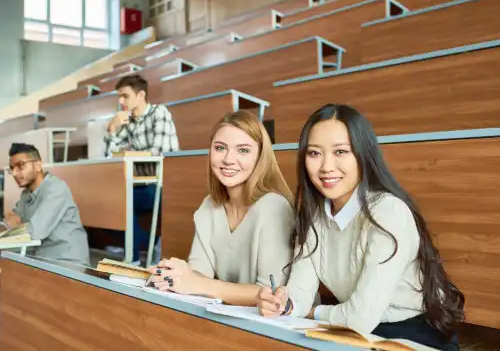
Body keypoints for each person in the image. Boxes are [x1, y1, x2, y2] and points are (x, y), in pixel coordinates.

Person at [255, 104, 465, 350]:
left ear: (362, 155)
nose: (326, 166)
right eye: (314, 153)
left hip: (413, 335)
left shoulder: (388, 212)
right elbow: (301, 290)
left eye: (341, 151)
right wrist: (284, 305)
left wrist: (313, 312)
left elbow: (359, 318)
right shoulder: (314, 215)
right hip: (355, 332)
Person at [146, 110, 295, 306]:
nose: (228, 159)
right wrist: (175, 277)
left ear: (260, 157)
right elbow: (199, 274)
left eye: (243, 150)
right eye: (220, 148)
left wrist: (197, 283)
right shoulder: (209, 206)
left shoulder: (275, 208)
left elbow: (271, 294)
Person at [104, 74, 179, 266]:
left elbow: (158, 152)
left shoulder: (159, 113)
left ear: (141, 95)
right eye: (119, 97)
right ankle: (138, 251)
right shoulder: (128, 121)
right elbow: (110, 156)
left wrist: (128, 155)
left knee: (123, 202)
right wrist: (112, 129)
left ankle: (136, 251)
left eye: (125, 96)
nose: (121, 101)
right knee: (109, 202)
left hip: (165, 182)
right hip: (139, 181)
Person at [0, 143, 90, 266]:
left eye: (20, 166)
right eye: (12, 169)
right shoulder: (27, 193)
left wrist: (10, 229)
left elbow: (35, 231)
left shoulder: (55, 188)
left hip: (67, 263)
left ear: (38, 165)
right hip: (42, 259)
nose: (15, 173)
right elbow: (15, 219)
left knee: (3, 266)